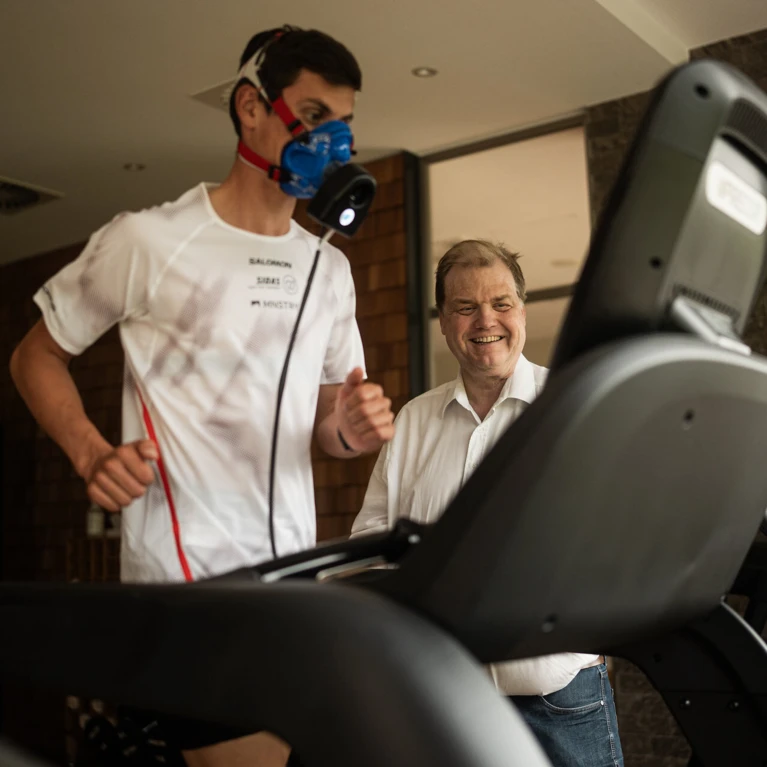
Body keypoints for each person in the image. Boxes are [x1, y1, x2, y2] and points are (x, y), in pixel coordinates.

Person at [10, 25, 394, 767]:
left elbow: (327, 429)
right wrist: (90, 455)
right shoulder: (149, 241)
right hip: (187, 596)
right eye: (313, 116)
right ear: (250, 107)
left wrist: (349, 426)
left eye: (343, 123)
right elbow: (36, 356)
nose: (334, 142)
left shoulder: (328, 268)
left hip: (294, 592)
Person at [351, 239, 624, 767]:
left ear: (522, 310)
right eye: (465, 306)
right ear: (443, 320)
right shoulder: (413, 421)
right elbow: (370, 546)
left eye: (501, 303)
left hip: (559, 695)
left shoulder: (574, 405)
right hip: (445, 699)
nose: (485, 321)